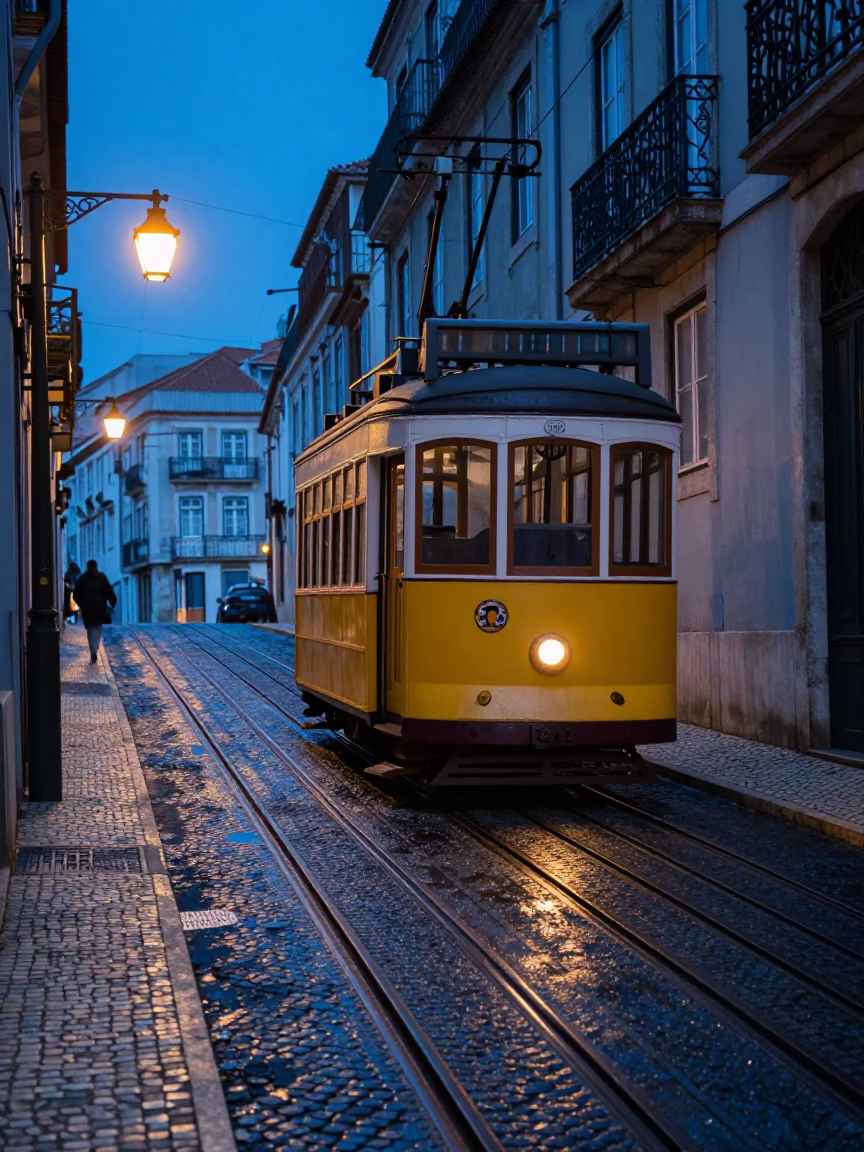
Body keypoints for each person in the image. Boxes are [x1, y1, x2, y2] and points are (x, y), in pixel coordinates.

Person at [73, 560, 117, 664]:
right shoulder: (101, 578)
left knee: (90, 630)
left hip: (87, 610)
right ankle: (95, 649)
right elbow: (109, 591)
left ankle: (92, 650)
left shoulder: (82, 579)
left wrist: (81, 604)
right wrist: (112, 602)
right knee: (97, 629)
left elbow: (75, 595)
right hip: (99, 609)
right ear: (96, 566)